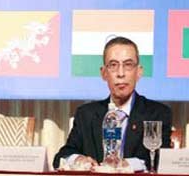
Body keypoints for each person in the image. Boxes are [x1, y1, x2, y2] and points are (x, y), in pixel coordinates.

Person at [52, 36, 172, 171]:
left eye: (128, 65)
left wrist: (127, 165)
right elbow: (61, 157)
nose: (121, 73)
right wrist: (78, 159)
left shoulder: (157, 113)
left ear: (139, 72)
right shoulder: (86, 114)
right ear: (104, 73)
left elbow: (161, 160)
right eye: (113, 65)